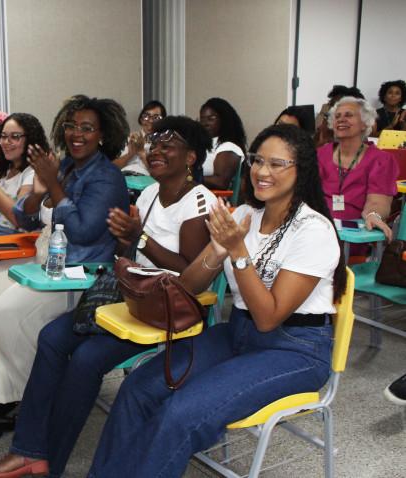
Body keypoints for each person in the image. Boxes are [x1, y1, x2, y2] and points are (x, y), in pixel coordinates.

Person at [88, 124, 346, 478]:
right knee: (138, 389)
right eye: (257, 160)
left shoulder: (313, 230)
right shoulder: (243, 215)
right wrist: (217, 250)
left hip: (294, 350)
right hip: (237, 333)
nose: (262, 172)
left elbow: (268, 318)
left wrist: (238, 252)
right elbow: (190, 285)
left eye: (276, 164)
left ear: (300, 171)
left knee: (181, 413)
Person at [0, 116, 217, 478]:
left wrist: (139, 237)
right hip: (135, 297)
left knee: (86, 358)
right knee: (51, 338)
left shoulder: (198, 202)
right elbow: (132, 252)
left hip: (168, 311)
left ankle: (51, 463)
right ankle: (28, 448)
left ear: (190, 158)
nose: (155, 151)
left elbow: (189, 275)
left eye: (166, 145)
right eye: (153, 144)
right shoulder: (152, 193)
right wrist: (124, 238)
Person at [0, 95, 130, 408]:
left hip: (82, 276)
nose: (76, 133)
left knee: (7, 312)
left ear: (103, 135)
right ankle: (28, 388)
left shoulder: (107, 178)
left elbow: (80, 231)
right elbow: (25, 218)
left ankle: (29, 401)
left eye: (87, 128)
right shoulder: (64, 166)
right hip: (47, 265)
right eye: (70, 125)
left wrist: (52, 184)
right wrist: (38, 193)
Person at [317, 96, 398, 242]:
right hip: (318, 228)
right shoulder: (320, 154)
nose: (341, 119)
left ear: (364, 123)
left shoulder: (381, 160)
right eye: (337, 116)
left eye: (349, 115)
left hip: (355, 234)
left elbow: (378, 201)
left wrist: (373, 215)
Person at [199, 97, 246, 190]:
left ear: (224, 120)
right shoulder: (202, 144)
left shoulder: (229, 147)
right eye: (202, 119)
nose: (205, 123)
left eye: (211, 118)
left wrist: (189, 178)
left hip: (214, 200)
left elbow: (220, 182)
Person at [112, 100, 167, 176]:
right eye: (146, 116)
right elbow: (111, 168)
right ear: (141, 119)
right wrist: (130, 154)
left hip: (147, 183)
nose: (150, 120)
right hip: (123, 179)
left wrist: (142, 153)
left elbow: (160, 174)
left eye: (156, 117)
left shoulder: (164, 144)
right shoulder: (128, 139)